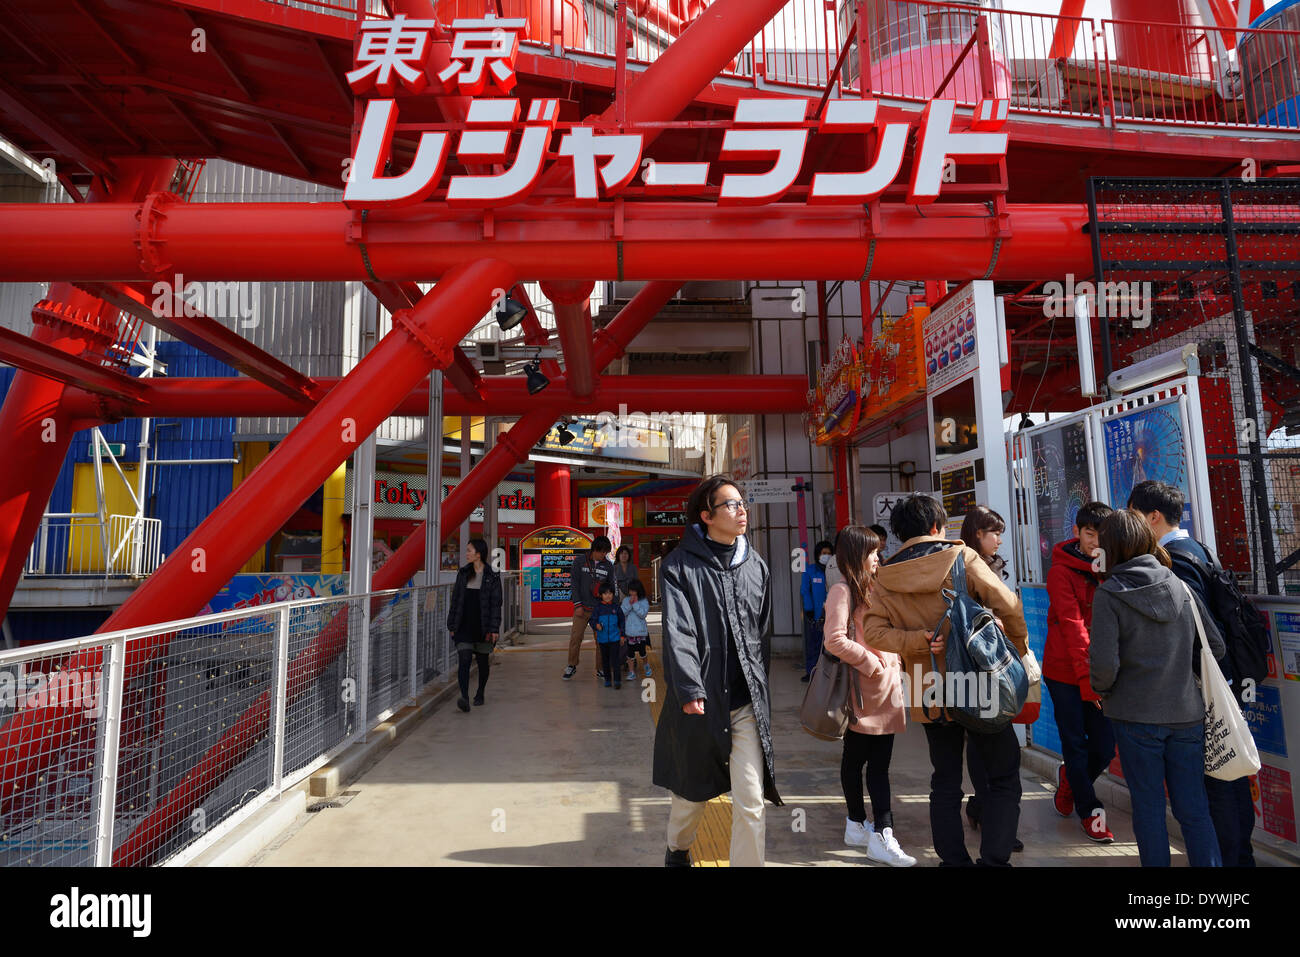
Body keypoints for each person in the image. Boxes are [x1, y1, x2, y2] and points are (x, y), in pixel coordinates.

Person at [861, 493, 1029, 867]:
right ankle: (994, 859)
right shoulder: (961, 558)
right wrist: (1016, 649)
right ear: (937, 526)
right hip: (979, 680)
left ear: (900, 532)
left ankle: (953, 861)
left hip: (929, 687)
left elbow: (873, 632)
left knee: (945, 779)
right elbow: (1008, 605)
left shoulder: (886, 576)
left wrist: (917, 640)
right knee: (1002, 774)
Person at [1128, 480, 1256, 866]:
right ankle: (1240, 856)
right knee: (1228, 772)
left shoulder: (1176, 560)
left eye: (1134, 515)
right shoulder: (1200, 549)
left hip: (1203, 685)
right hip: (1221, 680)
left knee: (1216, 783)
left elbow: (1197, 630)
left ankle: (1232, 859)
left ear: (1153, 517)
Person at [654, 474, 779, 867]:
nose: (741, 510)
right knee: (690, 795)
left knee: (751, 801)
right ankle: (677, 849)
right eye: (731, 504)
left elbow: (762, 636)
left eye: (742, 503)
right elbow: (679, 632)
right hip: (700, 703)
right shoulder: (678, 567)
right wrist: (690, 689)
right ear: (706, 516)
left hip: (744, 706)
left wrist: (759, 687)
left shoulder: (756, 566)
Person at [1089, 508, 1225, 867]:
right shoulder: (1180, 587)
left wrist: (1104, 690)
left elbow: (1104, 667)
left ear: (1111, 547)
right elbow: (1215, 647)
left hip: (1134, 717)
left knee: (1148, 809)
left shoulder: (1109, 594)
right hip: (1187, 715)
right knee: (1194, 809)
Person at [822, 525, 915, 867]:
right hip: (864, 690)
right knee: (863, 762)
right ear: (857, 555)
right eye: (873, 551)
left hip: (886, 689)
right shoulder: (842, 591)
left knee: (873, 763)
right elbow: (834, 639)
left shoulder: (876, 587)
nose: (878, 556)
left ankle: (861, 826)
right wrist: (871, 663)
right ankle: (879, 833)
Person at [1042, 501, 1117, 843]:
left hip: (1101, 673)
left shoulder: (1114, 568)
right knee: (1075, 743)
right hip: (1064, 673)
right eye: (1089, 534)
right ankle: (1090, 811)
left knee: (1104, 747)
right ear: (1076, 532)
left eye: (1102, 535)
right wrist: (1089, 683)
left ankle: (1070, 781)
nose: (1095, 542)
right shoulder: (1060, 572)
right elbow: (1073, 627)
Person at [957, 504, 1023, 851]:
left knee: (989, 739)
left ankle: (985, 810)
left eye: (1000, 533)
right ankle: (993, 819)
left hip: (996, 664)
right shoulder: (966, 566)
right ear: (977, 534)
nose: (999, 539)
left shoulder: (992, 565)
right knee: (986, 740)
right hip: (974, 664)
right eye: (993, 532)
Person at [446, 538, 502, 712]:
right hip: (463, 625)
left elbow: (496, 604)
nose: (466, 554)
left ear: (478, 554)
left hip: (483, 626)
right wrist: (452, 625)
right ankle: (464, 697)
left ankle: (480, 693)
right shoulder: (463, 573)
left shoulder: (492, 575)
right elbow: (455, 600)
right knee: (464, 659)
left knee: (483, 663)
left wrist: (494, 629)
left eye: (469, 550)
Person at [563, 535, 616, 680]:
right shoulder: (580, 562)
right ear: (594, 549)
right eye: (601, 552)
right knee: (576, 637)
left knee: (601, 640)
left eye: (606, 552)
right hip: (581, 609)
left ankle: (601, 668)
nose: (603, 555)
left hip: (599, 611)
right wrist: (577, 604)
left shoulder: (608, 566)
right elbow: (574, 584)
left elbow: (612, 588)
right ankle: (571, 665)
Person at [800, 540, 833, 682]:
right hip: (815, 615)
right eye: (823, 553)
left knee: (831, 646)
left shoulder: (834, 570)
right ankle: (811, 672)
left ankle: (829, 674)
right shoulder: (810, 570)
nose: (826, 556)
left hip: (832, 615)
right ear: (817, 554)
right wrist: (809, 609)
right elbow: (805, 591)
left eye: (829, 553)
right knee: (813, 645)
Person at [592, 583, 627, 689]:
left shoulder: (616, 607)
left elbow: (622, 622)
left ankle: (617, 680)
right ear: (601, 595)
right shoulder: (598, 608)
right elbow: (593, 620)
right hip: (602, 640)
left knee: (615, 660)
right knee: (605, 661)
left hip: (615, 639)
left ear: (613, 594)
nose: (608, 596)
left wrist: (622, 636)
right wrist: (596, 625)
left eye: (610, 593)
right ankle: (607, 679)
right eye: (605, 593)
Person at [622, 580, 652, 680]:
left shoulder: (644, 601)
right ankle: (631, 672)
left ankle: (646, 665)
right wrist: (629, 604)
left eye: (634, 591)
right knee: (630, 654)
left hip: (640, 632)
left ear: (639, 590)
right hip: (630, 632)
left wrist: (635, 604)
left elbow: (643, 614)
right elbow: (622, 613)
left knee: (642, 652)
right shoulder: (626, 600)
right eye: (631, 590)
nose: (632, 593)